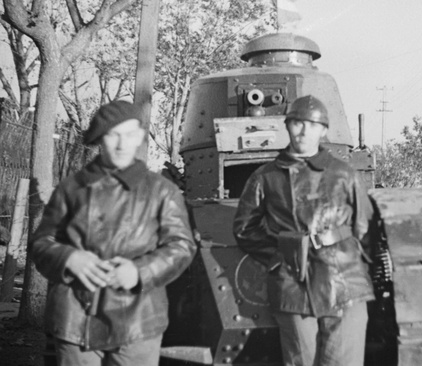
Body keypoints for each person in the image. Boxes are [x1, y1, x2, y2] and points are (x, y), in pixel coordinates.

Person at [32, 101, 197, 366]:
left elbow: (181, 246)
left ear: (141, 136)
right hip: (76, 319)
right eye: (113, 135)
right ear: (100, 139)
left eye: (130, 134)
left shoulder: (161, 190)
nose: (122, 144)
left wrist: (139, 271)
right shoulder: (71, 189)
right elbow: (41, 243)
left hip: (138, 322)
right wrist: (68, 258)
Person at [233, 95, 374, 366]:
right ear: (287, 126)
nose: (304, 130)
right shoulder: (266, 177)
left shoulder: (345, 174)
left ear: (323, 130)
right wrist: (278, 257)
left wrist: (348, 259)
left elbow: (363, 225)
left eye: (312, 124)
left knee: (343, 361)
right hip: (293, 283)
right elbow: (244, 228)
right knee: (301, 361)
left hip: (344, 281)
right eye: (297, 122)